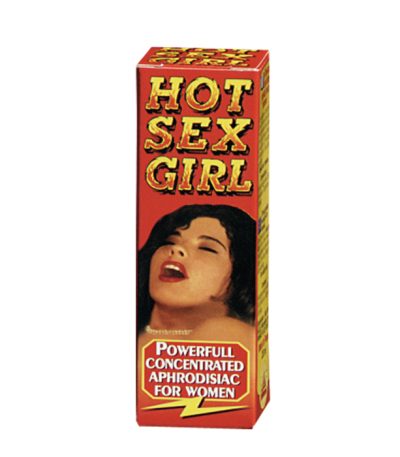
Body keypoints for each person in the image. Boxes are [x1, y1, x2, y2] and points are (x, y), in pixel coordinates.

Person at [137, 204, 256, 349]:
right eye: (169, 242)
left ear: (240, 277)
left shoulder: (228, 332)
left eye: (206, 248)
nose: (176, 248)